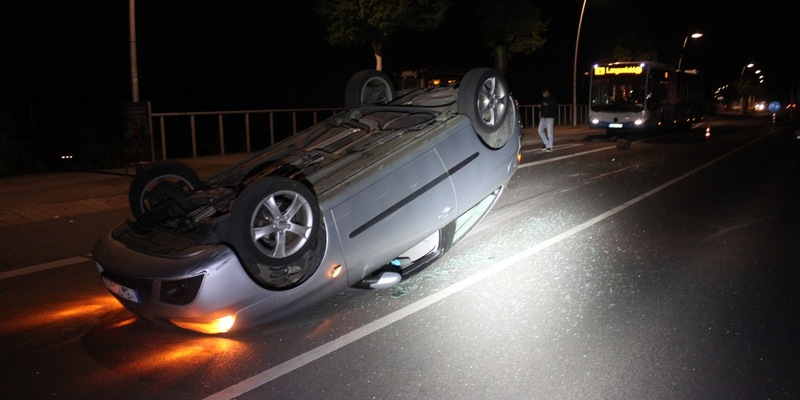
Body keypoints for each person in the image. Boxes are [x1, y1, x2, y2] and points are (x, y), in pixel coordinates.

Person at [537, 87, 557, 152]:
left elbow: (553, 107)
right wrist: (540, 107)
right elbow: (541, 108)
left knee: (549, 132)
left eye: (544, 93)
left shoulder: (552, 98)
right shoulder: (542, 99)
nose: (543, 95)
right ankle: (546, 143)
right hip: (543, 117)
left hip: (550, 117)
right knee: (539, 129)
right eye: (542, 94)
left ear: (547, 92)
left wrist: (547, 105)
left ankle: (550, 147)